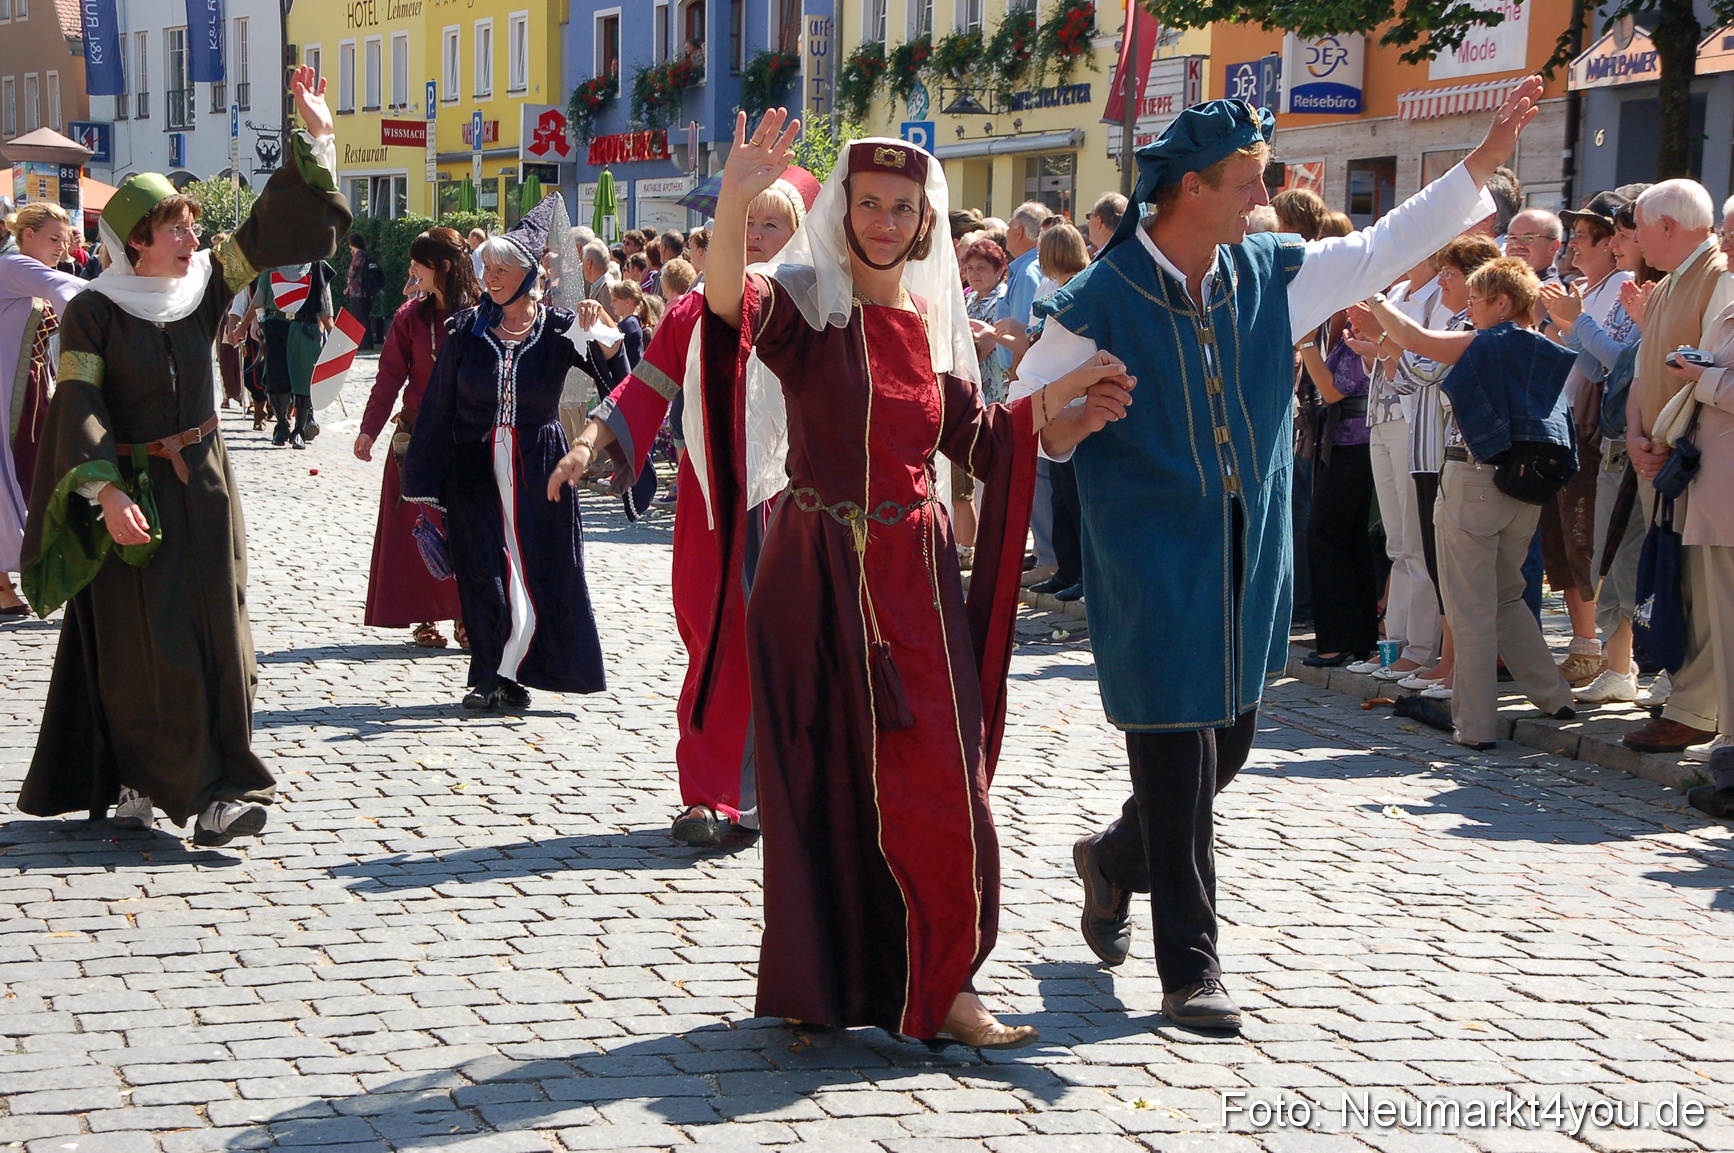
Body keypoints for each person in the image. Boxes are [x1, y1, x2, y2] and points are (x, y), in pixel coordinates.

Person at [1014, 82, 1543, 1031]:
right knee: (1177, 757)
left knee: (1228, 746)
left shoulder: (1272, 272)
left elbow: (1386, 245)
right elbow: (1017, 422)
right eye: (1248, 182)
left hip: (1247, 556)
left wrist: (1485, 154)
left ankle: (1113, 858)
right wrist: (1064, 420)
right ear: (1190, 191)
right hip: (1150, 558)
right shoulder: (1095, 299)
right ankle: (1192, 968)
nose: (1262, 199)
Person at [698, 114, 1132, 1048]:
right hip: (812, 576)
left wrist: (1071, 416)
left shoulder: (935, 339)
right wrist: (737, 197)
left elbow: (991, 442)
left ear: (927, 220)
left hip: (913, 581)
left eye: (903, 207)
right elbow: (728, 304)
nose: (887, 220)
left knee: (943, 779)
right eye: (869, 204)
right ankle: (821, 981)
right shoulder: (809, 313)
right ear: (846, 212)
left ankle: (945, 984)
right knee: (819, 784)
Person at [16, 65, 352, 844]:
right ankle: (199, 796)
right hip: (131, 492)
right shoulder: (94, 314)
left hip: (205, 485)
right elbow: (80, 407)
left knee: (223, 636)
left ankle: (207, 778)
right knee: (153, 646)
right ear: (135, 241)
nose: (191, 236)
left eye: (190, 223)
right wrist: (103, 493)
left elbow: (271, 230)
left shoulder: (203, 286)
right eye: (174, 226)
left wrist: (315, 136)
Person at [554, 166, 819, 849]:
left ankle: (778, 794)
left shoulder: (823, 310)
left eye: (772, 225)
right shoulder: (692, 311)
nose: (756, 237)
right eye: (746, 222)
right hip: (713, 510)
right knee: (718, 646)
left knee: (794, 653)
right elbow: (645, 387)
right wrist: (588, 442)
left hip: (800, 506)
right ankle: (710, 794)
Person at [401, 198, 607, 712]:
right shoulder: (466, 331)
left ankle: (531, 666)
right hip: (473, 465)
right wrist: (423, 473)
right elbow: (439, 403)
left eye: (501, 269)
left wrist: (604, 336)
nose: (489, 278)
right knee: (481, 568)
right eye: (486, 268)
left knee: (542, 567)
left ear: (528, 274)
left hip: (540, 465)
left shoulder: (562, 329)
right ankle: (492, 673)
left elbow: (620, 382)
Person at [1367, 257, 1578, 750]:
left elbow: (1416, 341)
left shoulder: (1490, 341)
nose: (1471, 310)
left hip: (1475, 479)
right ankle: (1555, 698)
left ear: (1503, 302)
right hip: (1527, 486)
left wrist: (1377, 298)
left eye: (1476, 301)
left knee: (1471, 610)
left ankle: (1476, 726)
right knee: (1506, 596)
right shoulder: (1548, 347)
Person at [1621, 179, 1734, 753]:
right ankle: (1685, 698)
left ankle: (1697, 710)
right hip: (1665, 457)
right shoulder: (1668, 284)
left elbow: (1706, 370)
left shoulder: (1718, 276)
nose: (1633, 236)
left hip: (1696, 461)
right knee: (1677, 583)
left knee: (1702, 590)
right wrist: (1637, 431)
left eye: (1638, 225)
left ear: (1666, 226)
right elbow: (1647, 368)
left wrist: (1666, 437)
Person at [355, 228, 475, 650]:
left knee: (468, 530)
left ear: (442, 267)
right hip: (416, 439)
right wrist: (370, 428)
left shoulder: (481, 315)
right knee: (417, 530)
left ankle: (468, 614)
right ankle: (424, 617)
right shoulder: (410, 316)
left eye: (418, 263)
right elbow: (389, 375)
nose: (411, 271)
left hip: (467, 439)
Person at [1537, 191, 1637, 696]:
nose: (1573, 245)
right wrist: (1562, 325)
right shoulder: (1587, 287)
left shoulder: (1622, 286)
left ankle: (1610, 656)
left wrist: (1574, 322)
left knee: (1593, 547)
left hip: (1595, 432)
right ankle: (1588, 646)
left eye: (1583, 235)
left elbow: (1610, 363)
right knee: (1567, 547)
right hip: (1568, 427)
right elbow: (1577, 354)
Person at [0, 203, 86, 617]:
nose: (61, 247)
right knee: (14, 474)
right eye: (53, 238)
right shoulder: (14, 265)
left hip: (33, 390)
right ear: (27, 234)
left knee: (30, 473)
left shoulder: (25, 271)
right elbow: (67, 290)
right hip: (8, 393)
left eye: (65, 240)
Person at [1668, 288, 1734, 782]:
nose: (1726, 243)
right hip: (1714, 489)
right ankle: (1727, 735)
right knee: (1721, 617)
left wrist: (1704, 377)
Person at [1297, 308, 1378, 666]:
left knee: (1326, 534)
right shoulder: (1347, 326)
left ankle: (1338, 640)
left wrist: (1305, 341)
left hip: (1356, 441)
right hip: (1346, 442)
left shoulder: (1364, 326)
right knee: (1347, 537)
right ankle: (1358, 638)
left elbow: (1331, 390)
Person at [247, 256, 334, 448]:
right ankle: (281, 426)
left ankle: (300, 430)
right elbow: (258, 301)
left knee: (304, 380)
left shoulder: (318, 267)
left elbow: (325, 306)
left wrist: (333, 336)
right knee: (277, 379)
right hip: (276, 326)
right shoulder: (270, 266)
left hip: (306, 328)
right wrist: (244, 326)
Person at [346, 232, 383, 350]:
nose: (349, 248)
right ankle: (365, 342)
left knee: (360, 318)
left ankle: (363, 343)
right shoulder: (365, 255)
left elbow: (352, 272)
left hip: (358, 292)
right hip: (363, 292)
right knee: (363, 317)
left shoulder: (358, 255)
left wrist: (348, 284)